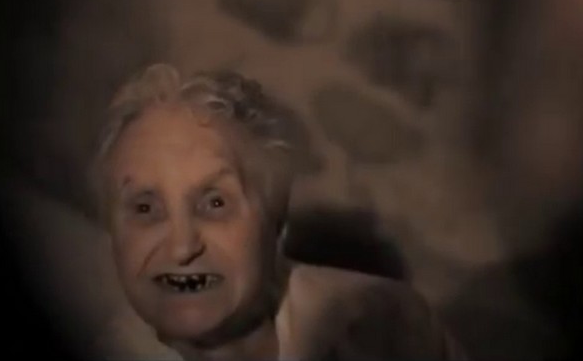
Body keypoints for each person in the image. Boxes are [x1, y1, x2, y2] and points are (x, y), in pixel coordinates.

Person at [87, 63, 467, 360]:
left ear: (276, 218)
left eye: (215, 203)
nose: (182, 247)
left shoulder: (391, 324)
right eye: (145, 208)